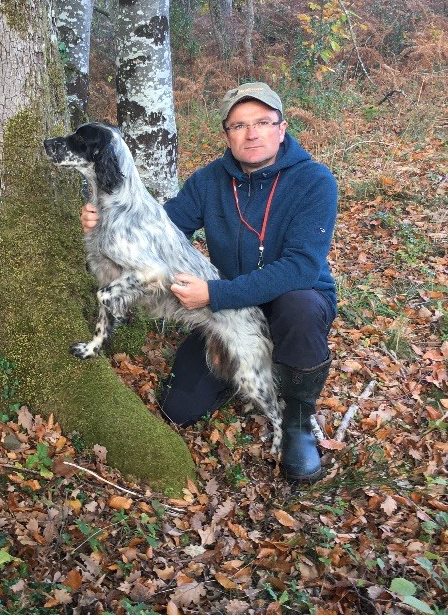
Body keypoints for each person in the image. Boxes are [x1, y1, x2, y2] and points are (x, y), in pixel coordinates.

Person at [80, 82, 337, 482]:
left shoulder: (314, 181)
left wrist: (214, 294)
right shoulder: (210, 180)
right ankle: (238, 369)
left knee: (299, 308)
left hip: (283, 298)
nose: (251, 134)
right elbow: (162, 228)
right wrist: (106, 221)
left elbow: (301, 268)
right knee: (179, 409)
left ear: (282, 128)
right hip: (225, 307)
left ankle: (299, 420)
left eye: (262, 123)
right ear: (227, 135)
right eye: (239, 125)